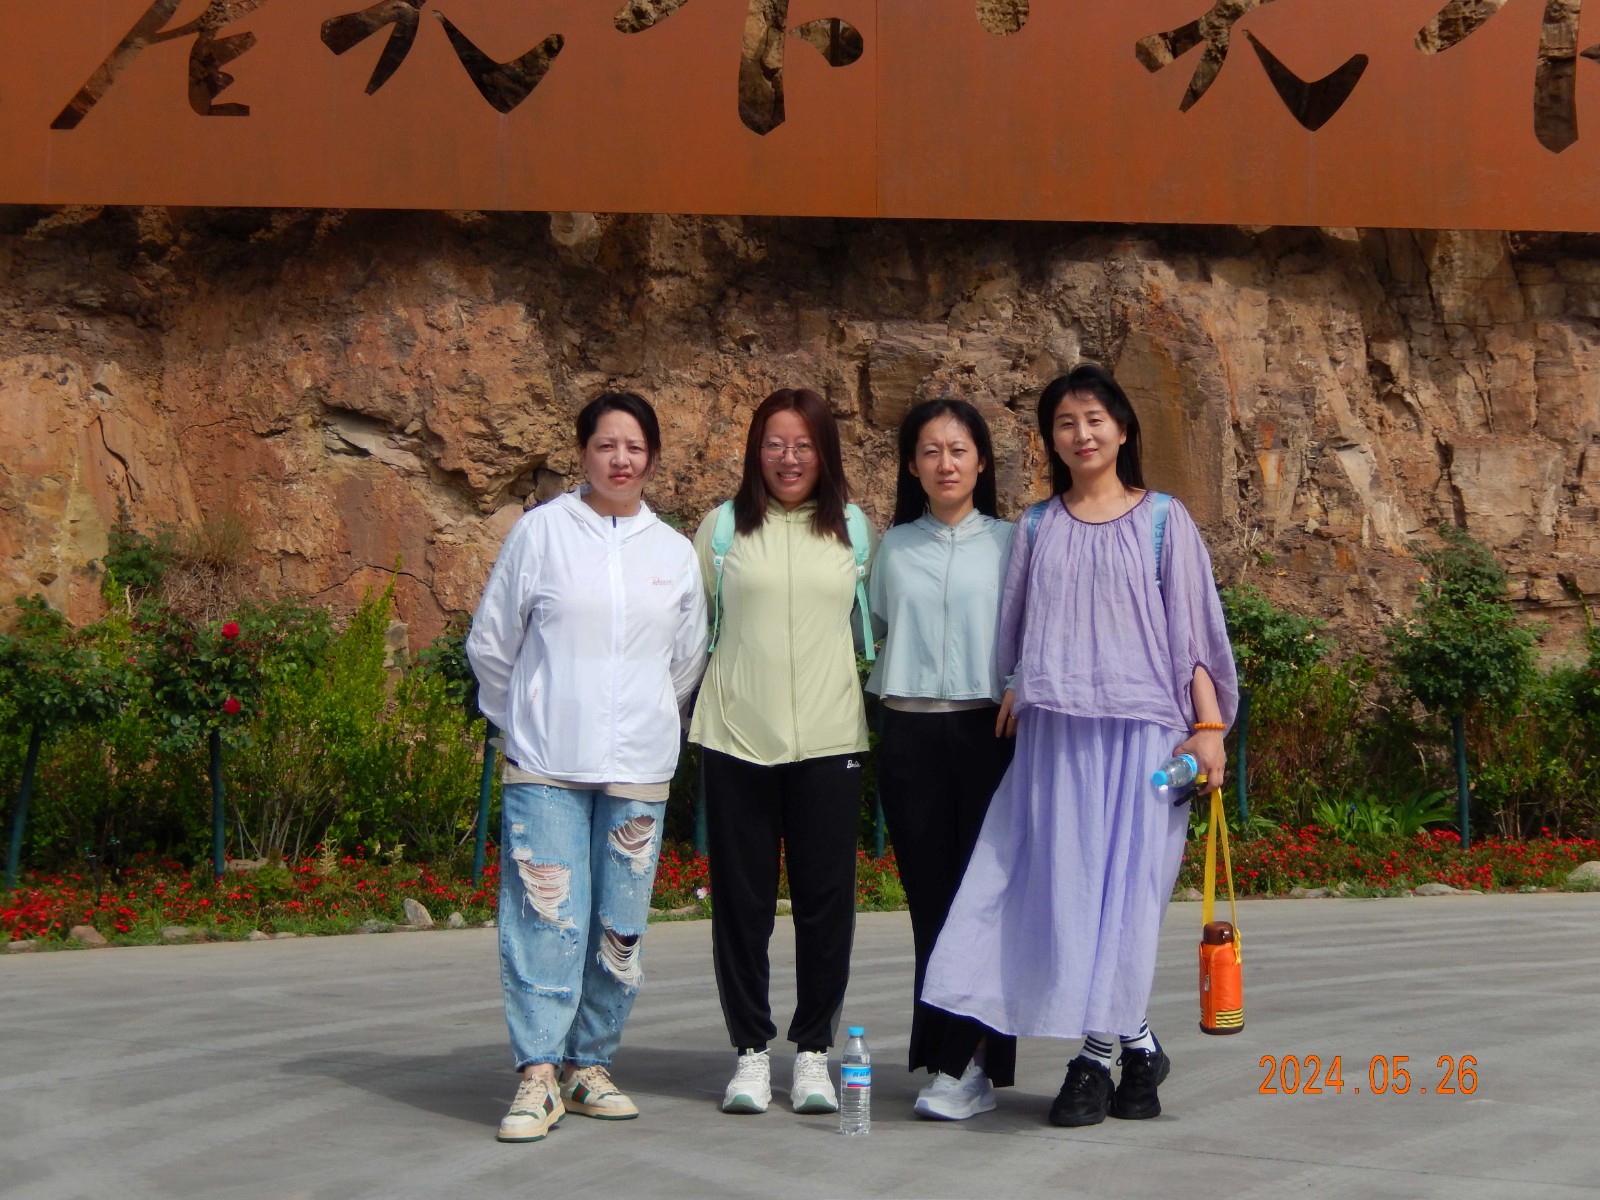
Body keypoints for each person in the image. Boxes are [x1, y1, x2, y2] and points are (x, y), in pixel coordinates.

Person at [921, 363, 1237, 1128]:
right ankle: (1138, 1049)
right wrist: (1017, 680)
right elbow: (1019, 626)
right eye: (1066, 423)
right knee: (1057, 891)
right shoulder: (1037, 526)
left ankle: (1094, 1059)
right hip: (1055, 740)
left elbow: (1194, 635)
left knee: (1126, 896)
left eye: (1095, 419)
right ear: (1051, 441)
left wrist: (1209, 731)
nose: (1082, 434)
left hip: (1147, 744)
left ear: (1123, 429)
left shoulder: (1164, 519)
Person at [466, 392, 708, 1143]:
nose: (620, 460)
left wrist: (645, 715)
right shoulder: (540, 532)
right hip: (546, 761)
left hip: (638, 764)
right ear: (583, 453)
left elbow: (685, 661)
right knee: (545, 915)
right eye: (606, 445)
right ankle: (538, 1074)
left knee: (618, 925)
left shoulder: (672, 552)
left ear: (652, 457)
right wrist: (525, 719)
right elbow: (493, 642)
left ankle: (590, 1064)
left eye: (634, 447)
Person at [689, 387, 877, 1116]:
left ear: (825, 452)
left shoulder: (854, 531)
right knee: (742, 905)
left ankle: (813, 1054)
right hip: (736, 738)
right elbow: (689, 627)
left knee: (826, 905)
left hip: (829, 741)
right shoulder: (721, 530)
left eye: (803, 445)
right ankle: (749, 1052)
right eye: (775, 443)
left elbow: (876, 622)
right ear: (754, 451)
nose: (789, 458)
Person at [864, 399, 1018, 1121]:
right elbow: (876, 627)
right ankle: (948, 1062)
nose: (945, 463)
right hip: (910, 735)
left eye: (958, 450)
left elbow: (1038, 628)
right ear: (911, 465)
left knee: (981, 900)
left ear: (981, 462)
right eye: (930, 451)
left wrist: (1022, 682)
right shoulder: (892, 548)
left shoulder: (1012, 543)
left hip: (991, 734)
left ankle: (973, 1063)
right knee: (931, 903)